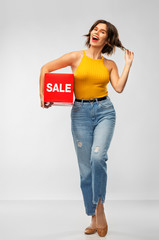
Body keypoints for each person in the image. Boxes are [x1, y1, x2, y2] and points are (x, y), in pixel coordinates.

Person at [39, 19, 134, 237]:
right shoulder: (76, 57)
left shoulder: (110, 64)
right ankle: (93, 216)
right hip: (80, 113)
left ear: (107, 40)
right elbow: (46, 68)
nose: (97, 33)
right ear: (90, 33)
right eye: (95, 29)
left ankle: (99, 208)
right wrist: (43, 94)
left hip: (104, 111)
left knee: (98, 157)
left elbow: (118, 87)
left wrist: (127, 64)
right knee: (85, 170)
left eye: (102, 32)